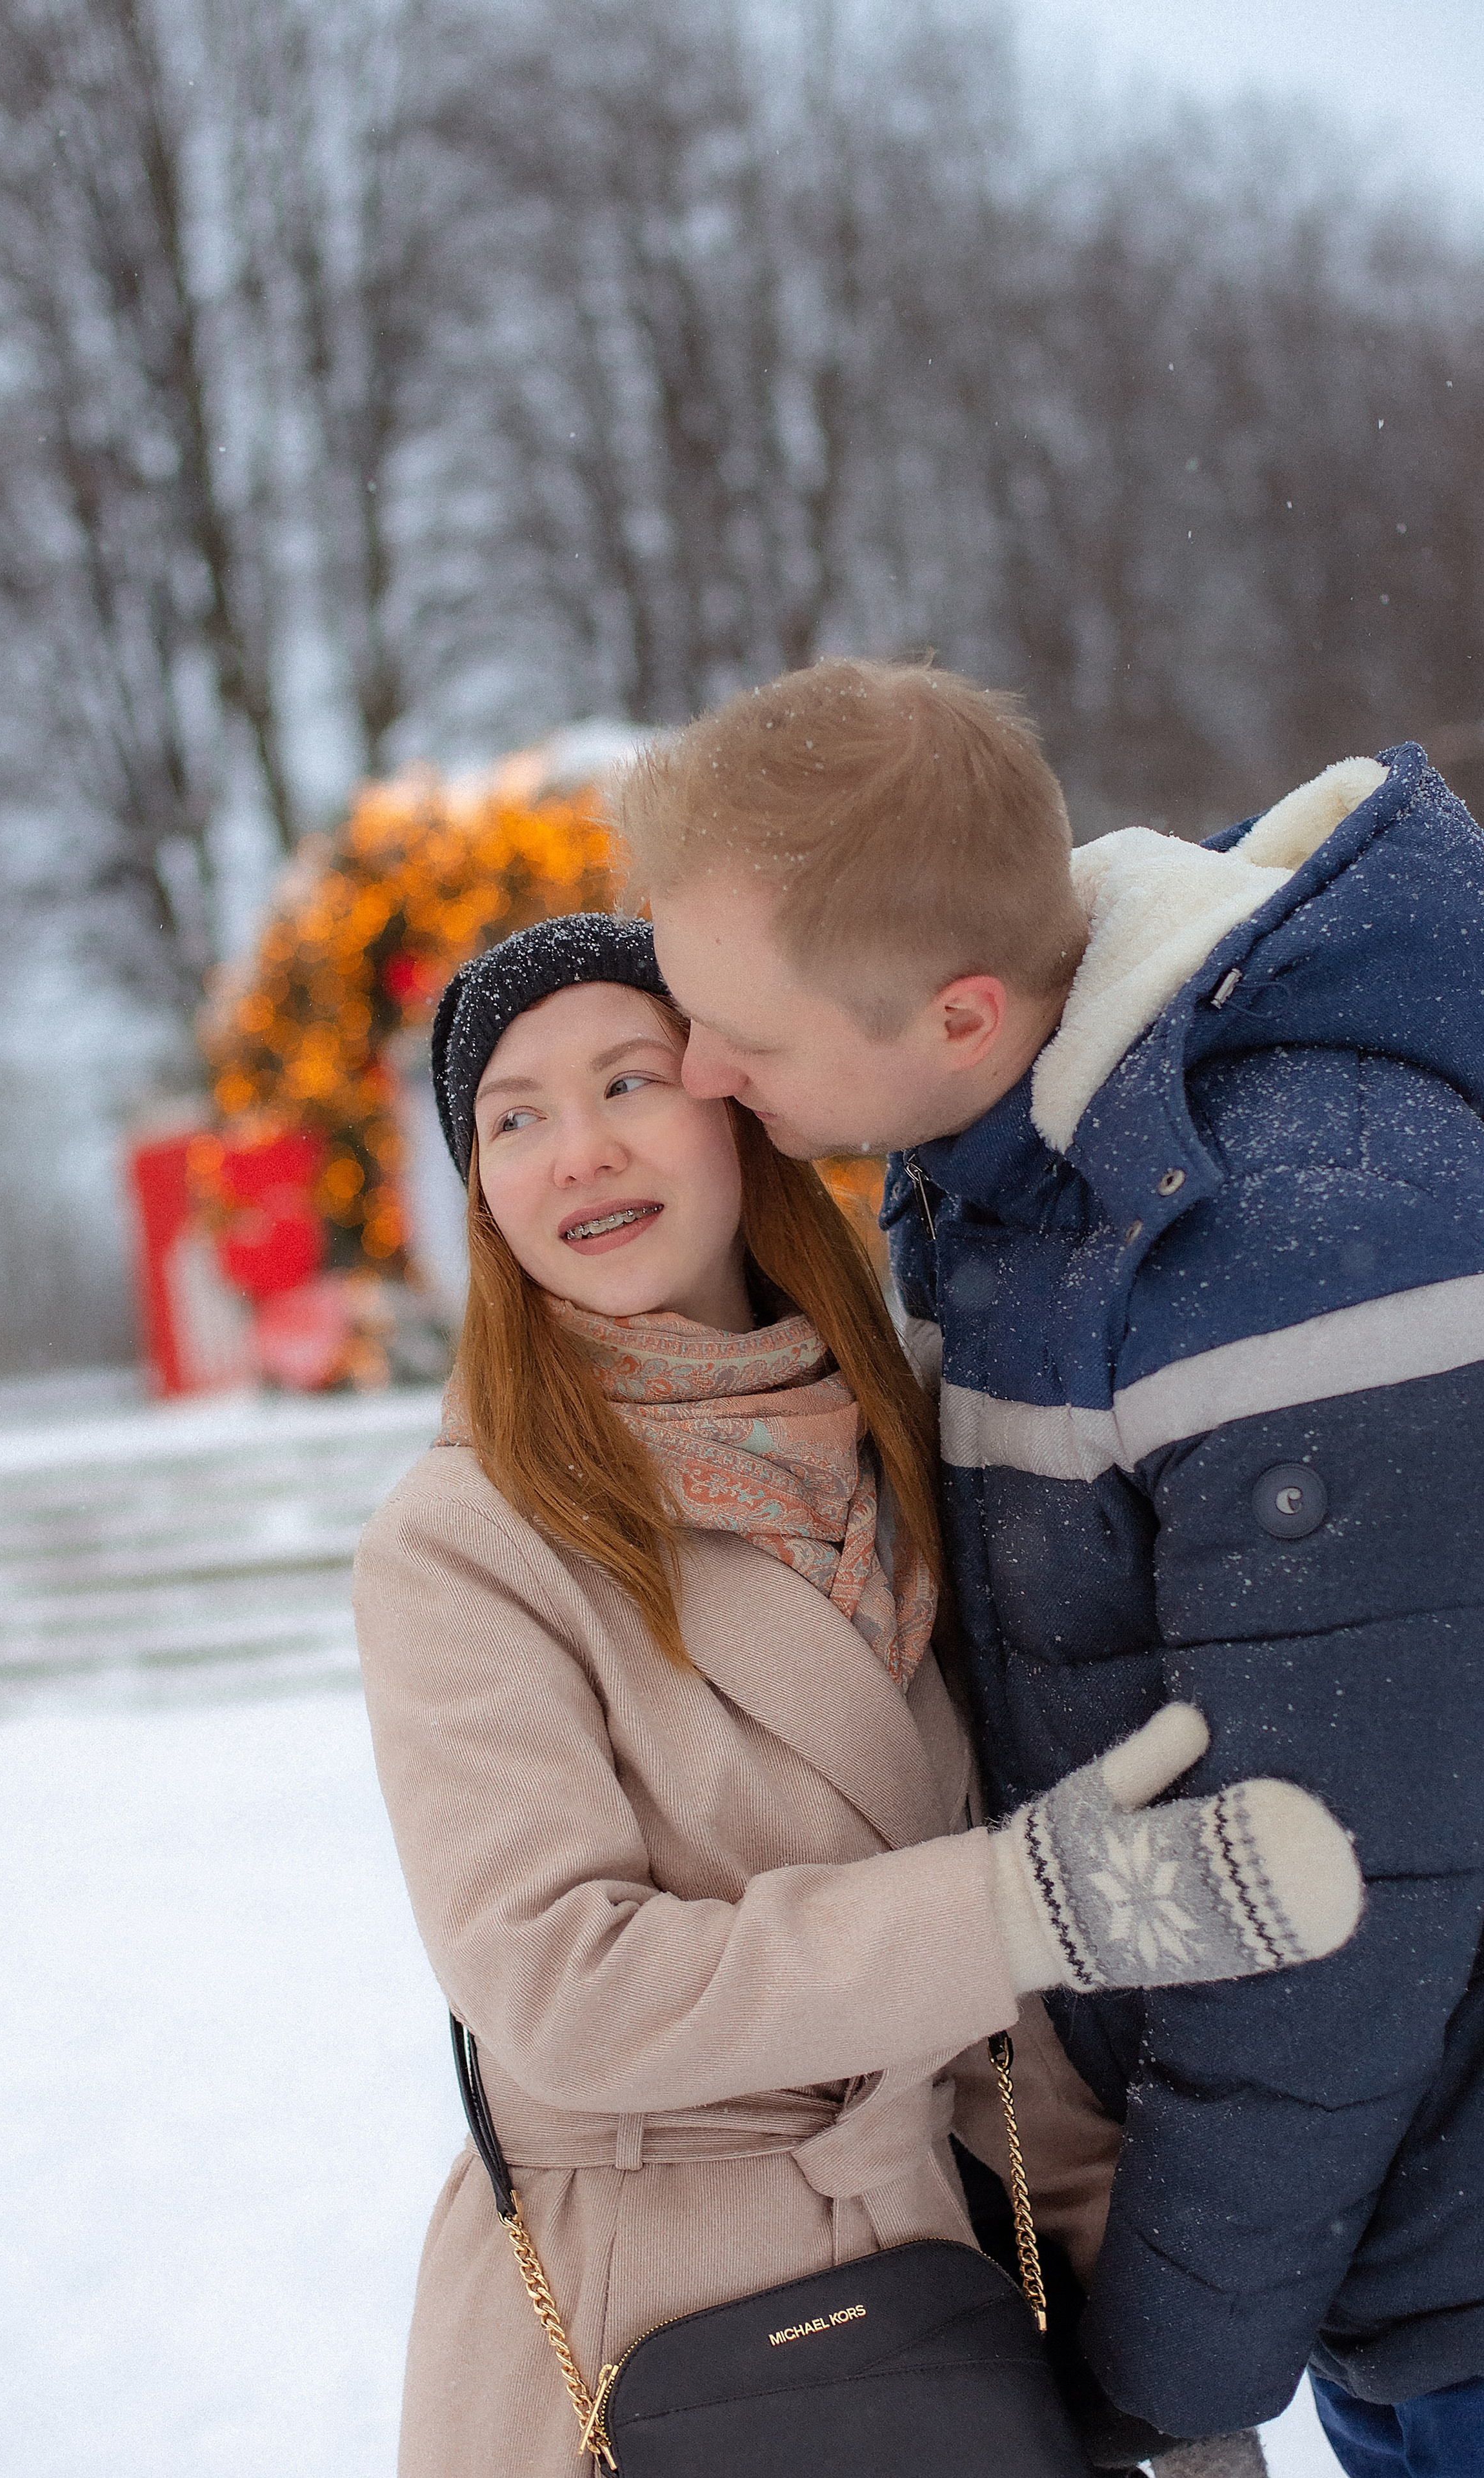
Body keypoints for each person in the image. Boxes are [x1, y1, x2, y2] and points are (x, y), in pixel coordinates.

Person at [352, 912, 1359, 2477]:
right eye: (514, 1116)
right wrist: (1027, 1905)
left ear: (734, 1108)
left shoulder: (896, 1440)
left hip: (933, 2316)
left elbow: (1000, 2015)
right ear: (479, 1187)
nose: (579, 1154)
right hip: (646, 2343)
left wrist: (1163, 2386)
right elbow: (562, 1992)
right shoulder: (469, 1539)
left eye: (628, 1081)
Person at [628, 658, 1484, 2478]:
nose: (699, 1074)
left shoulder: (1304, 1246)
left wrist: (1164, 2360)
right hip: (1389, 2240)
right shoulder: (1026, 1179)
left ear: (955, 1014)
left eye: (745, 1042)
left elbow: (1340, 1892)